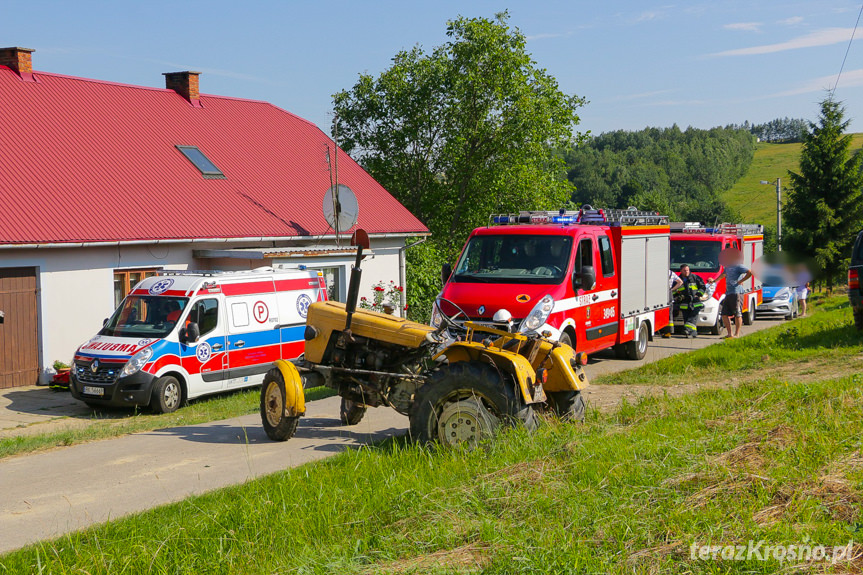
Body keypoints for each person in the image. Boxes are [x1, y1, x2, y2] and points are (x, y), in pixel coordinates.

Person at [708, 248, 753, 339]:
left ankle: (737, 334)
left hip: (736, 292)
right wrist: (715, 281)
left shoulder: (739, 266)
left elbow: (750, 272)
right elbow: (724, 274)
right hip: (728, 292)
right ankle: (729, 334)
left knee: (737, 314)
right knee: (724, 314)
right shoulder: (728, 266)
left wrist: (741, 281)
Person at [677, 264, 708, 338]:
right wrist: (678, 297)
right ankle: (692, 333)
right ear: (681, 271)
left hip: (695, 302)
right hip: (684, 303)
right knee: (687, 318)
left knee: (692, 317)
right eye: (684, 270)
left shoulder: (695, 277)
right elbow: (674, 290)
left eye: (687, 270)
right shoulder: (678, 279)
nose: (686, 272)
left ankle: (687, 329)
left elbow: (703, 287)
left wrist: (698, 294)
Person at [663, 269, 684, 337]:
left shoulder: (660, 271)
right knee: (669, 314)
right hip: (669, 294)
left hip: (661, 293)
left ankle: (664, 331)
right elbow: (680, 282)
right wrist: (672, 289)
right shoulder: (671, 273)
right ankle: (669, 332)